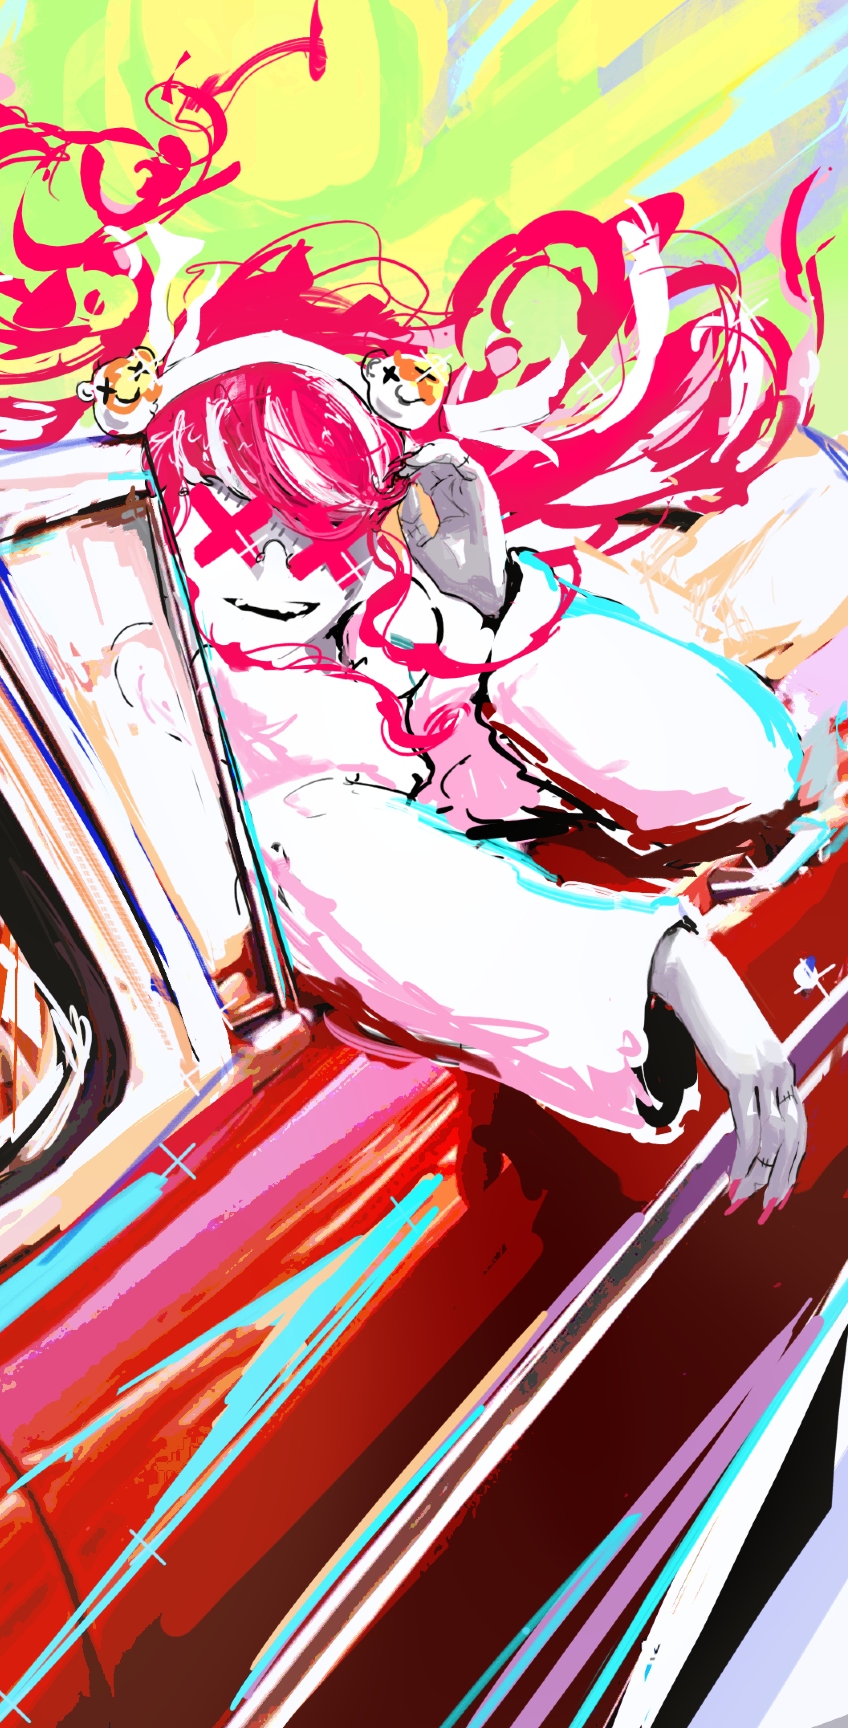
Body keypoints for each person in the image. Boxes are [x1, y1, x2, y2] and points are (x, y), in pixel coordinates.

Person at [137, 356, 806, 1216]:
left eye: (310, 523)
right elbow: (332, 875)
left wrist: (498, 601)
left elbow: (743, 774)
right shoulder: (205, 740)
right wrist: (665, 963)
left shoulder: (422, 631)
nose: (275, 557)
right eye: (230, 515)